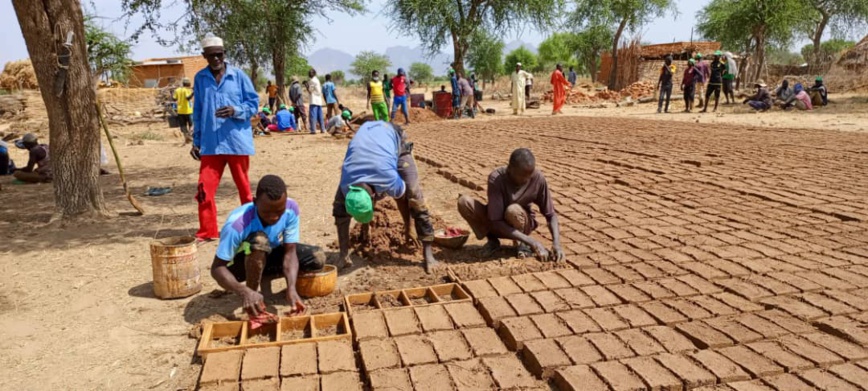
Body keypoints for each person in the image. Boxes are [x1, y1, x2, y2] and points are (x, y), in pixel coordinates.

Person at [210, 174, 326, 317]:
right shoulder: (237, 224)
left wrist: (291, 287)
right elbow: (217, 268)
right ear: (255, 202)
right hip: (238, 268)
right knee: (260, 241)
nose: (274, 217)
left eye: (279, 211)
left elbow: (290, 252)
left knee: (316, 258)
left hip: (267, 253)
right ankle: (251, 296)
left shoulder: (291, 209)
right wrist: (245, 292)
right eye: (266, 212)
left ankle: (264, 275)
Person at [332, 121, 437, 273]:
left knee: (414, 195)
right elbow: (341, 213)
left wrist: (409, 227)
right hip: (366, 136)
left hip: (392, 136)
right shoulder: (346, 182)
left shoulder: (387, 177)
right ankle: (343, 255)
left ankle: (428, 253)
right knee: (339, 207)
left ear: (375, 195)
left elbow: (401, 197)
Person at [191, 35, 259, 242]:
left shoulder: (238, 76)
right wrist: (196, 141)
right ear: (205, 56)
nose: (216, 59)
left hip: (236, 142)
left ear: (224, 54)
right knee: (204, 189)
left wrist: (235, 110)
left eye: (219, 55)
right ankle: (207, 231)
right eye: (211, 56)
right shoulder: (200, 78)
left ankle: (251, 228)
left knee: (244, 189)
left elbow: (253, 104)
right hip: (211, 144)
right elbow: (199, 110)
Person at [457, 148, 564, 262]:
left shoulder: (538, 178)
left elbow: (551, 214)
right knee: (464, 202)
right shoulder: (496, 178)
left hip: (521, 221)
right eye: (522, 176)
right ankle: (493, 241)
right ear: (509, 169)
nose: (526, 179)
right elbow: (496, 221)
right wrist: (533, 242)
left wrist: (556, 243)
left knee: (513, 210)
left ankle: (522, 243)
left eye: (529, 175)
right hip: (496, 223)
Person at [173, 78, 194, 143]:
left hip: (180, 110)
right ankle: (190, 136)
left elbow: (174, 99)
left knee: (183, 125)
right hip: (188, 110)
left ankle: (186, 138)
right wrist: (193, 93)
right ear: (188, 84)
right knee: (191, 124)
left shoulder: (177, 90)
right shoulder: (187, 90)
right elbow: (188, 98)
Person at [307, 69, 325, 134]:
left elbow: (310, 90)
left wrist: (306, 85)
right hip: (318, 100)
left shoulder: (312, 81)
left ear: (314, 73)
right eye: (309, 72)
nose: (309, 74)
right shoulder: (317, 80)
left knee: (313, 115)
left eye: (311, 73)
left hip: (313, 100)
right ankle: (322, 129)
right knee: (320, 115)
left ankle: (313, 130)